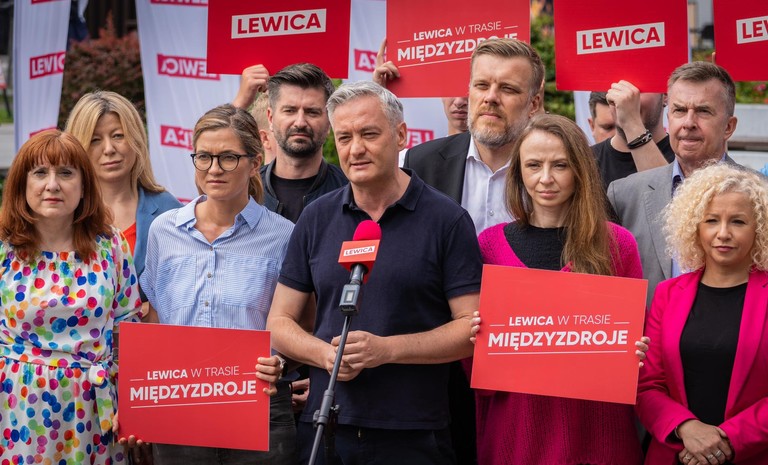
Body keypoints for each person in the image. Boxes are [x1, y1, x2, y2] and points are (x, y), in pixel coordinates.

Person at [266, 81, 482, 464]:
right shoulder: (317, 217)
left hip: (412, 432)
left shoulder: (446, 220)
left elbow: (470, 329)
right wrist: (325, 355)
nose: (356, 149)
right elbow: (279, 322)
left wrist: (386, 350)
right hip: (325, 428)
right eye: (345, 137)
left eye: (369, 134)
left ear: (400, 135)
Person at [470, 114, 647, 464]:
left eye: (560, 165)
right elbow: (478, 374)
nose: (546, 178)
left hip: (597, 439)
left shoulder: (618, 245)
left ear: (580, 170)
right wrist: (475, 342)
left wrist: (637, 353)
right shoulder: (488, 246)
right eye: (534, 165)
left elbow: (636, 348)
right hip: (516, 436)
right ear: (518, 172)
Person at [139, 105, 295, 464]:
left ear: (255, 163)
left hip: (258, 408)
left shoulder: (283, 235)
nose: (213, 169)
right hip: (179, 406)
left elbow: (300, 321)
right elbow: (155, 317)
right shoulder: (164, 231)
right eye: (204, 157)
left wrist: (282, 362)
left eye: (228, 157)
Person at [0, 130, 143, 463]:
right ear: (22, 183)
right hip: (17, 409)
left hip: (94, 409)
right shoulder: (4, 248)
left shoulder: (110, 245)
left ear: (83, 185)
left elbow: (128, 328)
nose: (52, 185)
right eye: (40, 173)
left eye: (65, 173)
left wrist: (133, 405)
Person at [636, 163, 768, 465]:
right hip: (676, 454)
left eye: (738, 221)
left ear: (759, 228)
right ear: (695, 226)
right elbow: (648, 385)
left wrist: (725, 441)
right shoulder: (668, 294)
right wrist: (686, 428)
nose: (723, 233)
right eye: (711, 220)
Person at [607, 61, 739, 306]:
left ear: (728, 127)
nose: (689, 122)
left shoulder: (759, 195)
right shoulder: (624, 194)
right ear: (668, 118)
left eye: (703, 111)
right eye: (679, 110)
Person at [404, 38, 544, 234]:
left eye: (507, 89)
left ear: (533, 104)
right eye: (482, 85)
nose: (491, 97)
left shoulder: (553, 171)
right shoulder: (421, 163)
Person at [64, 91, 181, 297]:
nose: (109, 149)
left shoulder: (170, 211)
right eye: (95, 139)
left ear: (136, 139)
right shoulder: (62, 212)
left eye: (118, 135)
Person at [262, 63, 348, 223]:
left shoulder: (351, 193)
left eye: (312, 112)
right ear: (271, 118)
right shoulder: (244, 190)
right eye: (290, 111)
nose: (300, 122)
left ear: (330, 122)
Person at [592, 80, 674, 190]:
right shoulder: (586, 160)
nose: (626, 97)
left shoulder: (686, 157)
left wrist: (632, 124)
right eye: (618, 88)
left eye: (640, 88)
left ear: (665, 95)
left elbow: (665, 197)